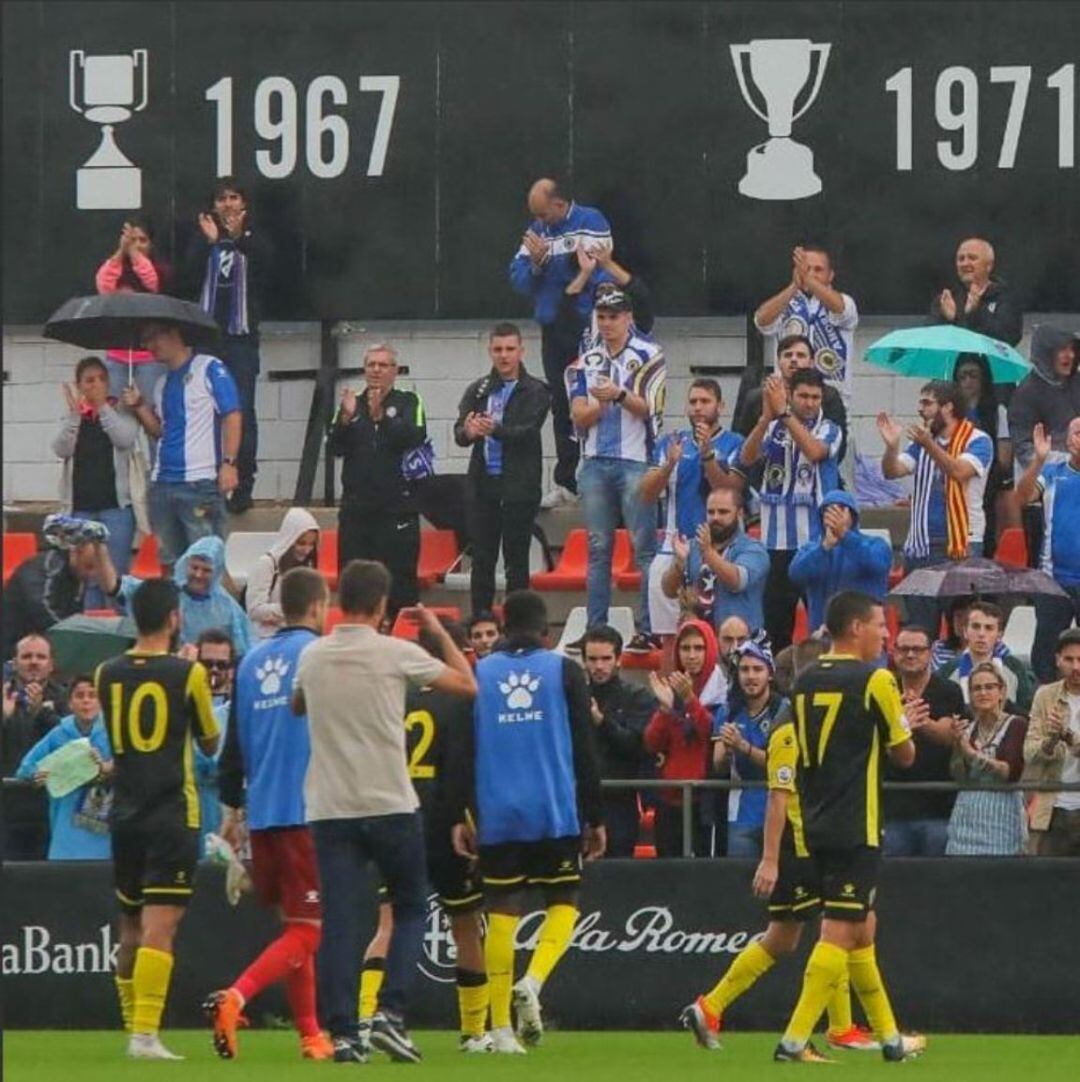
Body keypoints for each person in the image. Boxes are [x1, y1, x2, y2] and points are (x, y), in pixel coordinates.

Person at [292, 560, 475, 1063]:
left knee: (339, 922)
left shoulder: (312, 655)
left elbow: (296, 706)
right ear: (381, 606)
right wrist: (437, 633)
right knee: (412, 906)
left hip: (331, 806)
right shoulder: (396, 653)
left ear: (337, 601)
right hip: (389, 801)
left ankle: (344, 1033)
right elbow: (467, 685)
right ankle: (391, 1014)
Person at [680, 661, 878, 1056]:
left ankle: (712, 1007)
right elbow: (778, 794)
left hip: (808, 842)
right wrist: (770, 859)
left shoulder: (805, 722)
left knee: (791, 937)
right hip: (799, 845)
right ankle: (823, 1032)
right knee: (833, 931)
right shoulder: (788, 729)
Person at [448, 590, 605, 1054]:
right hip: (552, 809)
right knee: (565, 901)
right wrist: (594, 815)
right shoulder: (564, 670)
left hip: (497, 814)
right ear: (546, 631)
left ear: (502, 625)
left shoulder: (481, 673)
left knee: (501, 914)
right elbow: (584, 749)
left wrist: (461, 813)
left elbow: (463, 751)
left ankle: (499, 1030)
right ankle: (532, 982)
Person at [774, 591, 923, 1063]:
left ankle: (892, 1040)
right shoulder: (876, 679)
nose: (886, 635)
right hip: (856, 822)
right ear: (856, 627)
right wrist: (901, 720)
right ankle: (795, 1040)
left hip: (814, 818)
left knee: (861, 928)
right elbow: (905, 755)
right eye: (881, 625)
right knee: (839, 930)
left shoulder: (802, 680)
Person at [208, 567, 332, 1061]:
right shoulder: (318, 656)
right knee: (308, 930)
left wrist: (233, 814)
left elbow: (232, 751)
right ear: (319, 606)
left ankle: (310, 1035)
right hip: (306, 811)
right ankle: (234, 998)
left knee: (295, 926)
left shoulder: (253, 661)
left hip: (263, 815)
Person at [95, 578, 221, 1060]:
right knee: (159, 926)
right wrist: (190, 676)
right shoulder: (185, 675)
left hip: (124, 813)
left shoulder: (107, 672)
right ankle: (144, 1036)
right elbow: (210, 741)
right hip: (171, 812)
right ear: (174, 618)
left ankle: (133, 1028)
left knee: (129, 926)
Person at [357, 619, 491, 1055]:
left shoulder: (393, 698)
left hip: (395, 809)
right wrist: (466, 819)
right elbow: (461, 766)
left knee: (388, 922)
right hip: (441, 816)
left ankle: (364, 1021)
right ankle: (474, 1032)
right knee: (466, 925)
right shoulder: (459, 700)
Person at [566, 287, 666, 650]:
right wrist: (601, 406)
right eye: (602, 317)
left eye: (614, 316)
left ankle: (649, 628)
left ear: (628, 318)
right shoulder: (586, 358)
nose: (607, 323)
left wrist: (619, 395)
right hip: (594, 459)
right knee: (597, 547)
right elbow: (578, 413)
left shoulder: (650, 354)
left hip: (636, 459)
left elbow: (651, 408)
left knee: (643, 547)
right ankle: (596, 630)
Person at [508, 178, 612, 508]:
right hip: (553, 325)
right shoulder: (537, 231)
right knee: (560, 403)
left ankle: (600, 478)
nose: (541, 220)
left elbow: (597, 272)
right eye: (535, 215)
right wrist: (538, 265)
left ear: (558, 203)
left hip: (587, 325)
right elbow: (518, 279)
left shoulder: (590, 221)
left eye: (544, 213)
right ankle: (567, 481)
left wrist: (551, 264)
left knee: (594, 398)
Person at [122, 321, 241, 576]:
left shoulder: (209, 368)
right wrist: (140, 406)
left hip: (200, 484)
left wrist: (229, 463)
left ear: (174, 333)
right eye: (145, 341)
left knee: (207, 565)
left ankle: (225, 615)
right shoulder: (161, 383)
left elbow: (232, 414)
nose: (150, 347)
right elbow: (161, 432)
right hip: (162, 485)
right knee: (170, 566)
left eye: (154, 337)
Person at [185, 177, 273, 513]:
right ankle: (208, 482)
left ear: (244, 205)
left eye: (234, 198)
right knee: (205, 411)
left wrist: (235, 240)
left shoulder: (256, 239)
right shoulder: (202, 236)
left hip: (241, 339)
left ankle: (243, 484)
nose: (227, 205)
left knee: (242, 411)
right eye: (221, 199)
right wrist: (211, 244)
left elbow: (269, 267)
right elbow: (188, 276)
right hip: (206, 339)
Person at [740, 369, 843, 652]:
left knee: (822, 625)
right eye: (803, 396)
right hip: (775, 543)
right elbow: (746, 457)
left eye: (815, 397)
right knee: (775, 628)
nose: (810, 403)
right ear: (791, 394)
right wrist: (764, 419)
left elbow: (815, 451)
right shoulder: (773, 427)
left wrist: (784, 413)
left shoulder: (830, 428)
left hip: (815, 542)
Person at [878, 380, 993, 633]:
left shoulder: (979, 440)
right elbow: (892, 471)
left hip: (961, 544)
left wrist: (928, 444)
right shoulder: (922, 442)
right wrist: (891, 446)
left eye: (927, 403)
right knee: (921, 628)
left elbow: (958, 472)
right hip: (921, 545)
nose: (921, 409)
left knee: (960, 628)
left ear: (948, 407)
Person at [454, 322, 550, 614]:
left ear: (521, 351)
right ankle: (480, 619)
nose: (504, 356)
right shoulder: (479, 389)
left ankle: (517, 620)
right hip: (484, 486)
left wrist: (495, 429)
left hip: (519, 488)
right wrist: (470, 432)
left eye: (510, 349)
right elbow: (460, 433)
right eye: (498, 349)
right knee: (482, 558)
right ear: (490, 352)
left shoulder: (535, 390)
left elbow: (527, 431)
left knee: (516, 560)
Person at [328, 344, 428, 620]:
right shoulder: (351, 404)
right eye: (371, 364)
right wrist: (346, 420)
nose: (376, 370)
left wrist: (381, 418)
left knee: (400, 588)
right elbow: (335, 447)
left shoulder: (410, 402)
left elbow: (415, 436)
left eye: (383, 365)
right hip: (357, 513)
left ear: (394, 371)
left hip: (397, 512)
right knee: (355, 589)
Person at [641, 380, 746, 639]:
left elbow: (730, 491)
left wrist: (707, 454)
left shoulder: (735, 443)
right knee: (670, 635)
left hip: (722, 546)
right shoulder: (671, 441)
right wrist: (668, 466)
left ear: (720, 406)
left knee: (718, 628)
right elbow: (645, 495)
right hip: (674, 542)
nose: (698, 408)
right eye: (693, 402)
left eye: (705, 401)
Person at [51, 356, 141, 602]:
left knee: (116, 577)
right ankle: (91, 631)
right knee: (87, 577)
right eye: (89, 381)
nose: (96, 385)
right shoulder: (73, 416)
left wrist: (102, 407)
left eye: (102, 379)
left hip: (116, 508)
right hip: (81, 509)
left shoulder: (120, 410)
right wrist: (74, 416)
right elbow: (61, 449)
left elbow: (125, 439)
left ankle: (119, 633)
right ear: (79, 385)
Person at [644, 620, 726, 857]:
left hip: (706, 801)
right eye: (685, 648)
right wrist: (665, 710)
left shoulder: (724, 692)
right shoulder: (670, 690)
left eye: (699, 648)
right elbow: (652, 742)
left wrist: (690, 699)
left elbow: (711, 731)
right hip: (671, 800)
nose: (692, 655)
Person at [883, 625, 966, 857]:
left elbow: (950, 736)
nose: (910, 655)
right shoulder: (882, 687)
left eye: (917, 649)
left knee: (935, 882)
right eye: (904, 649)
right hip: (892, 808)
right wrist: (903, 723)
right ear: (894, 651)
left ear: (930, 653)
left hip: (937, 807)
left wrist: (918, 720)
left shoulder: (949, 690)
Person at [15, 673, 113, 861]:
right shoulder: (58, 734)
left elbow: (134, 764)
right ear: (70, 703)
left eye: (92, 695)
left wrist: (109, 767)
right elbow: (26, 768)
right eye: (80, 695)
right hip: (64, 826)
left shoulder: (114, 734)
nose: (86, 701)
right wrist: (38, 776)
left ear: (102, 702)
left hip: (104, 830)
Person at [1013, 419, 1080, 682]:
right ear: (1068, 439)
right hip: (1052, 580)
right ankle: (1045, 710)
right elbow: (1022, 497)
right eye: (1078, 432)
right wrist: (1038, 460)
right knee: (1045, 654)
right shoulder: (1051, 472)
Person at [1007, 325, 1079, 567]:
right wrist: (1060, 459)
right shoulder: (1026, 392)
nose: (1068, 356)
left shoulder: (1077, 384)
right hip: (1043, 494)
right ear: (1046, 353)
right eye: (1061, 350)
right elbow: (1024, 448)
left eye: (1072, 349)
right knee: (1043, 562)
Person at [753, 245, 859, 409]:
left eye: (818, 270)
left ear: (831, 275)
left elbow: (841, 310)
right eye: (807, 269)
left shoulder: (843, 301)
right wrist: (794, 286)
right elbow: (761, 321)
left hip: (830, 400)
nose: (811, 274)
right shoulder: (785, 302)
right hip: (787, 400)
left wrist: (808, 279)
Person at [582, 625, 655, 858]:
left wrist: (600, 721)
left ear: (619, 659)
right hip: (580, 801)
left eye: (605, 658)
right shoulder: (573, 696)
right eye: (592, 659)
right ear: (583, 661)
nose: (599, 666)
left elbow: (636, 745)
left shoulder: (637, 696)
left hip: (620, 802)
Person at [712, 642, 788, 859]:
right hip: (741, 813)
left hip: (780, 811)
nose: (750, 676)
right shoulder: (728, 710)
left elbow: (782, 766)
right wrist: (727, 749)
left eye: (757, 669)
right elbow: (718, 766)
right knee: (740, 883)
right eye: (744, 670)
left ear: (770, 674)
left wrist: (743, 747)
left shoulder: (784, 710)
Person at [2, 519, 119, 659]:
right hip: (15, 645)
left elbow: (73, 615)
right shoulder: (48, 569)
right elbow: (42, 609)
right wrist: (74, 636)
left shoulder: (76, 573)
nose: (92, 575)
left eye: (97, 568)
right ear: (75, 552)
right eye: (89, 567)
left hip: (42, 644)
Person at [120, 535, 252, 655]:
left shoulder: (228, 607)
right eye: (194, 568)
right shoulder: (167, 593)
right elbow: (116, 588)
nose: (198, 575)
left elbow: (243, 649)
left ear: (216, 573)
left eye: (206, 570)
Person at [945, 663, 1027, 856]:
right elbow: (959, 777)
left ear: (1001, 692)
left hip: (1002, 816)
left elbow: (1011, 772)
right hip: (967, 815)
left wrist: (973, 754)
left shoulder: (1016, 724)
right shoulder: (968, 729)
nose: (983, 693)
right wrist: (957, 747)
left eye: (989, 687)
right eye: (977, 688)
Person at [661, 488, 769, 635]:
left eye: (723, 512)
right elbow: (669, 591)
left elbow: (737, 581)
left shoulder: (754, 549)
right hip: (700, 643)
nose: (715, 517)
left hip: (741, 642)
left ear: (740, 514)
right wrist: (679, 563)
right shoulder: (693, 546)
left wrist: (708, 552)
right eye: (711, 512)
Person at [2, 635, 69, 860]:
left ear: (51, 664)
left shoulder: (67, 698)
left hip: (52, 804)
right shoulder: (4, 696)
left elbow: (74, 743)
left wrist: (42, 713)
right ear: (14, 663)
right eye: (27, 656)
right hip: (8, 804)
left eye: (41, 656)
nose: (34, 661)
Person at [735, 334, 849, 465]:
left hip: (816, 472)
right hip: (766, 473)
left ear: (811, 362)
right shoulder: (757, 397)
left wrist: (783, 412)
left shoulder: (828, 395)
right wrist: (765, 419)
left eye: (800, 355)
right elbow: (741, 446)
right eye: (788, 355)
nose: (794, 359)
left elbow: (839, 450)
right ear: (778, 361)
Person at [789, 490, 892, 633]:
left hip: (864, 635)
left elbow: (877, 565)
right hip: (823, 634)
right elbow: (796, 575)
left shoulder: (875, 544)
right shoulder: (810, 548)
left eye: (841, 509)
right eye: (829, 510)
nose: (834, 515)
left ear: (852, 514)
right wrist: (824, 548)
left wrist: (845, 535)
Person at [95, 217, 170, 401]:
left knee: (152, 411)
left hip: (150, 355)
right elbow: (103, 285)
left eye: (142, 240)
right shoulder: (118, 267)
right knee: (114, 410)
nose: (136, 245)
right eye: (132, 240)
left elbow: (152, 281)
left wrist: (134, 253)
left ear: (151, 244)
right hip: (118, 353)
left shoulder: (162, 268)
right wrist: (122, 250)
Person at [1024, 629, 1080, 856]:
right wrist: (1051, 740)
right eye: (1069, 659)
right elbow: (1029, 752)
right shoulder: (1044, 696)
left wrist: (1068, 736)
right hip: (1052, 806)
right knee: (1050, 883)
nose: (1076, 667)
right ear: (1057, 660)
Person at [953, 353, 1012, 558]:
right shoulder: (950, 413)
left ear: (983, 379)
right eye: (962, 376)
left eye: (973, 375)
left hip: (987, 485)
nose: (968, 381)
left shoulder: (998, 411)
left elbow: (1005, 456)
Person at [938, 600, 1035, 713]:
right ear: (965, 632)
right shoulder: (948, 670)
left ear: (999, 635)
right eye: (975, 627)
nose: (981, 634)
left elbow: (1026, 711)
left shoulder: (1014, 667)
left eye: (989, 628)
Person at [930, 237, 1023, 345]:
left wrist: (975, 314)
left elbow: (1009, 339)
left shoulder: (1005, 298)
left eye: (972, 258)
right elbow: (930, 340)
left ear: (989, 265)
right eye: (961, 259)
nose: (965, 264)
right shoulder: (946, 299)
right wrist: (950, 320)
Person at [245, 508, 320, 639]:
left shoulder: (307, 566)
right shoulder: (267, 564)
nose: (307, 550)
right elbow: (254, 609)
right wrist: (292, 610)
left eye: (311, 544)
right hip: (266, 638)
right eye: (301, 543)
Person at [194, 628, 236, 845]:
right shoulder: (183, 706)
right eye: (207, 664)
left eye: (221, 665)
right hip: (191, 809)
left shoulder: (237, 713)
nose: (214, 670)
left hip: (226, 808)